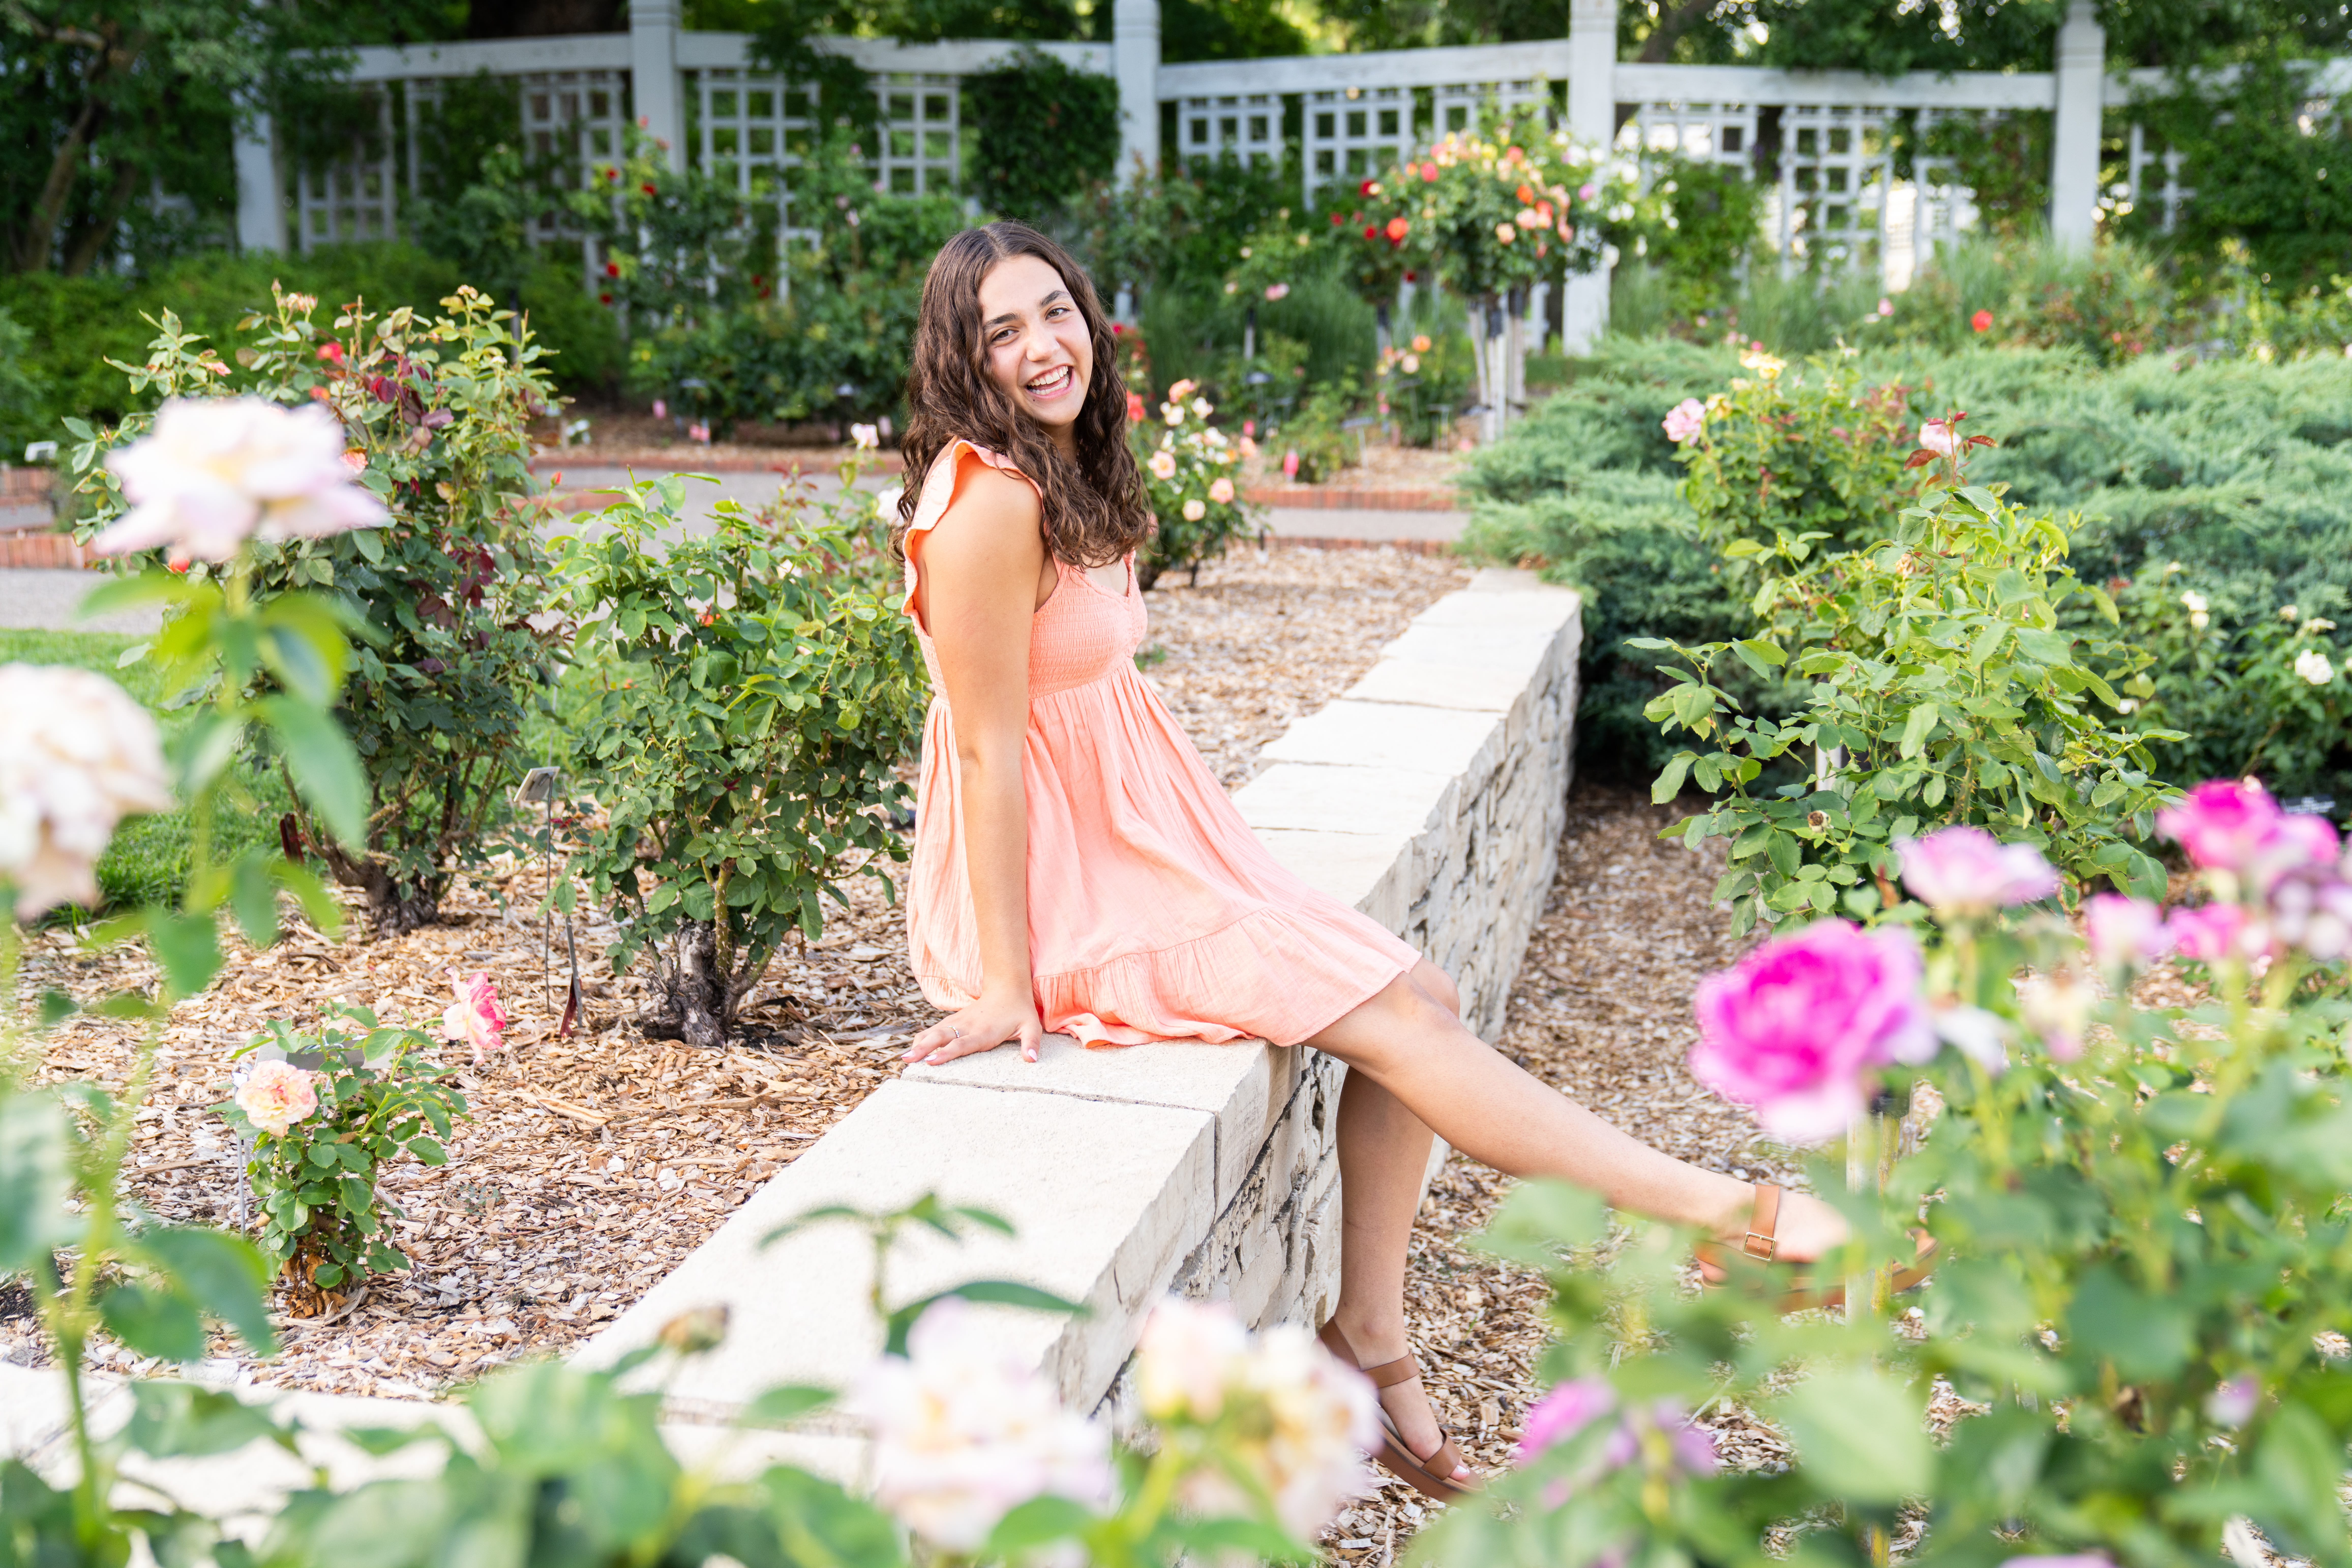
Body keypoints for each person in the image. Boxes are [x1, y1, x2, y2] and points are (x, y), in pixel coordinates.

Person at [892, 220, 1850, 1499]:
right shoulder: (988, 500)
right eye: (1001, 331)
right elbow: (986, 756)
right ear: (962, 357)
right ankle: (1733, 1215)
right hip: (1061, 886)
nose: (1040, 346)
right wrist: (1005, 983)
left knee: (1426, 998)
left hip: (1145, 835)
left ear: (1088, 316)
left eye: (1053, 312)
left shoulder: (1070, 468)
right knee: (1402, 1028)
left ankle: (1368, 1336)